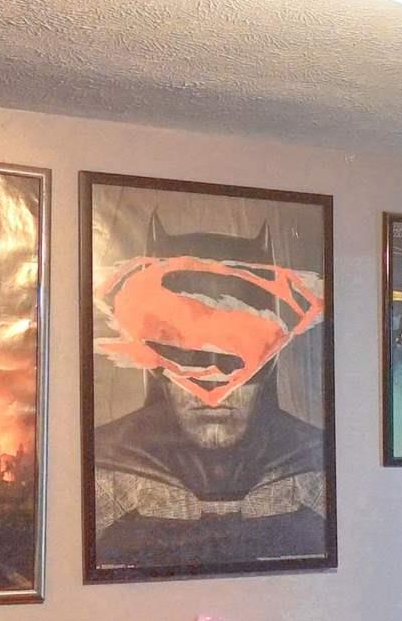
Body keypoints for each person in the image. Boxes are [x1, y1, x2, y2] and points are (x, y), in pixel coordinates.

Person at [91, 231, 330, 570]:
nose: (214, 380)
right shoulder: (104, 471)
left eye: (237, 348)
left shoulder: (314, 470)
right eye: (185, 348)